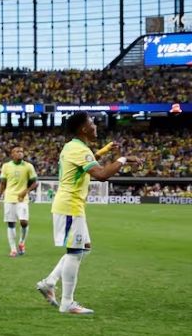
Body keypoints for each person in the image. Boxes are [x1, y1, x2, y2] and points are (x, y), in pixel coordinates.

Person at [35, 112, 141, 315]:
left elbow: (90, 161)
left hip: (71, 206)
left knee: (84, 249)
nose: (95, 126)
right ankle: (67, 303)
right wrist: (123, 159)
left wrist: (106, 150)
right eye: (91, 123)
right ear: (83, 129)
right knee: (75, 252)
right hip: (69, 206)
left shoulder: (74, 146)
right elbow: (101, 175)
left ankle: (49, 283)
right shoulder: (78, 149)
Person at [0, 145, 38, 257]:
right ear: (12, 154)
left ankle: (22, 243)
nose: (20, 153)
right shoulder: (6, 166)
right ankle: (13, 249)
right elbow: (2, 183)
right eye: (17, 151)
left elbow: (35, 183)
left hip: (22, 199)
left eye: (22, 151)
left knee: (24, 221)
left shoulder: (28, 166)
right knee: (11, 223)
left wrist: (26, 191)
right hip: (9, 198)